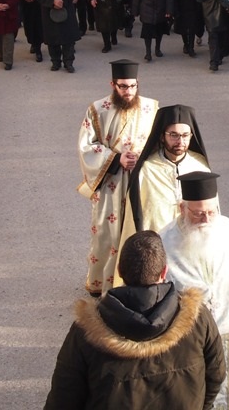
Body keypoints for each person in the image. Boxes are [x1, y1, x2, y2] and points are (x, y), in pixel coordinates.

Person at [44, 231, 225, 408]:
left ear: (119, 271)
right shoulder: (197, 318)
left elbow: (64, 396)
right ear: (164, 271)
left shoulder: (86, 330)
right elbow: (216, 375)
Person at [161, 172, 229, 410]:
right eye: (198, 213)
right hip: (189, 336)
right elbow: (166, 284)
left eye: (211, 211)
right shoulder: (165, 239)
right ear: (182, 209)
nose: (206, 219)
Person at [77, 60, 159, 296]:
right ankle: (103, 283)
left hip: (141, 177)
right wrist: (117, 159)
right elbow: (86, 146)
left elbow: (159, 141)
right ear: (112, 84)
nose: (128, 91)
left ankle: (142, 280)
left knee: (141, 229)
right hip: (111, 181)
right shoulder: (97, 109)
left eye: (132, 86)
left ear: (137, 83)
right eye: (122, 86)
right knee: (107, 233)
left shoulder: (152, 107)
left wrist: (141, 157)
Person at [118, 104, 210, 273]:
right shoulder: (146, 170)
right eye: (173, 135)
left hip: (192, 246)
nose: (180, 142)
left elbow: (212, 211)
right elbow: (135, 218)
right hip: (158, 249)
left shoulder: (200, 166)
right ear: (162, 136)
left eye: (185, 135)